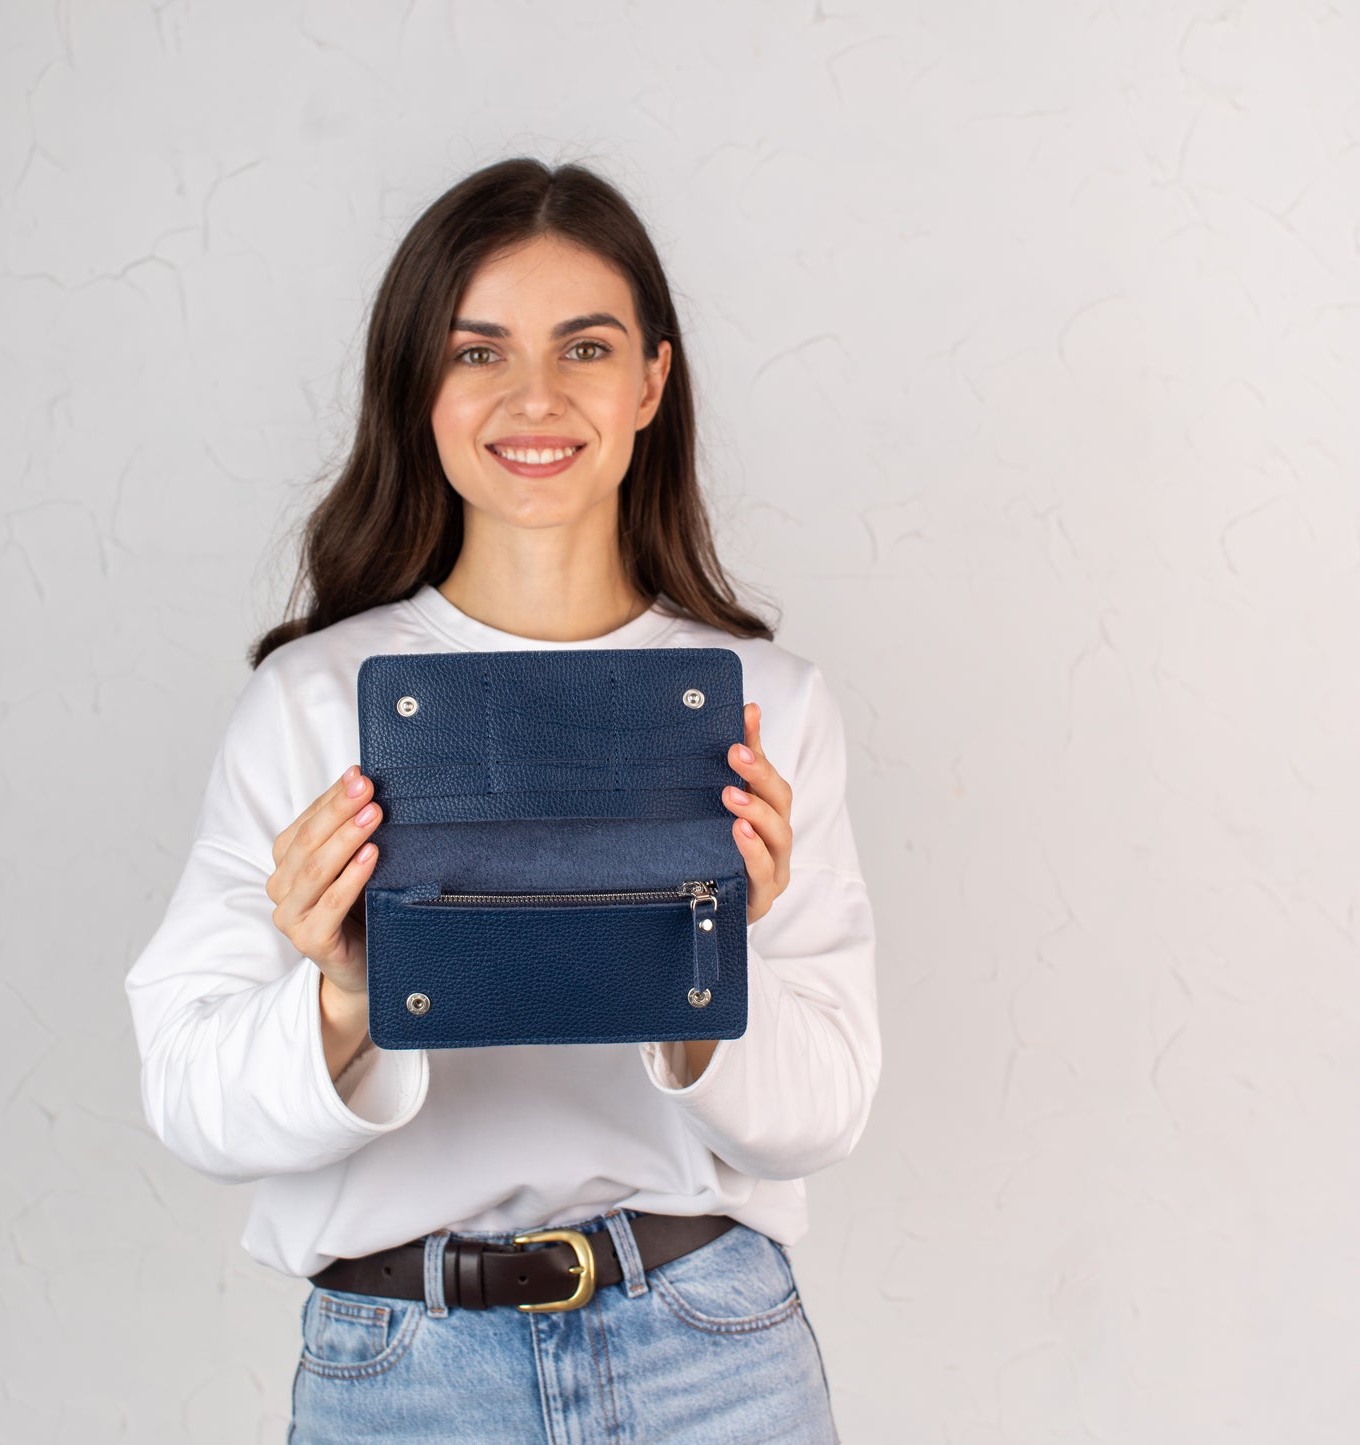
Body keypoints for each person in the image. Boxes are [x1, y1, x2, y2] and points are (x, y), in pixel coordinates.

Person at [124, 156, 881, 1443]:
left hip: (711, 1352)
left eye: (583, 345)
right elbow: (190, 1096)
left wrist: (714, 964)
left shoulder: (769, 707)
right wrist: (347, 992)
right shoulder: (313, 703)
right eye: (478, 353)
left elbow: (825, 1109)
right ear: (418, 387)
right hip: (402, 1366)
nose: (534, 395)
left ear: (652, 377)